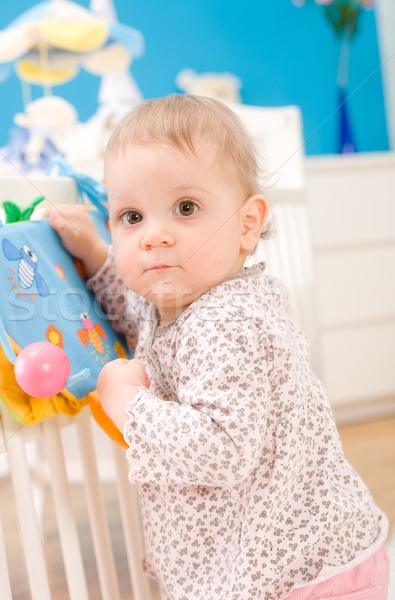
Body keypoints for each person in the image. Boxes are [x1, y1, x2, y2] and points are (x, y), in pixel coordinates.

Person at [44, 95, 389, 599]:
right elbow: (132, 313)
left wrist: (128, 406)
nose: (154, 236)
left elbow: (222, 449)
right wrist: (97, 254)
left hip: (301, 577)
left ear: (248, 223)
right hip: (286, 565)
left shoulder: (225, 320)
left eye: (185, 208)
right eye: (131, 216)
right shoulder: (176, 299)